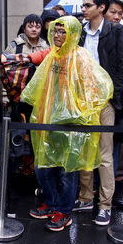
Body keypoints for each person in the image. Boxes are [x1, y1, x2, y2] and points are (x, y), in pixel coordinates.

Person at [22, 16, 113, 232]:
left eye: (63, 32)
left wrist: (79, 112)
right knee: (44, 167)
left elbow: (97, 87)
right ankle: (52, 205)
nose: (58, 36)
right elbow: (39, 85)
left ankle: (64, 211)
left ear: (72, 34)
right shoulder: (53, 56)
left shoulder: (80, 56)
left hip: (71, 122)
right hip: (48, 119)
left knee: (67, 170)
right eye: (55, 31)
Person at [73, 0, 123, 226]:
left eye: (88, 5)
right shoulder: (79, 32)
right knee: (84, 151)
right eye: (83, 5)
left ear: (101, 8)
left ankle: (105, 205)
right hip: (83, 100)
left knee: (105, 155)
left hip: (105, 100)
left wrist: (109, 96)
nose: (83, 9)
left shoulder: (115, 31)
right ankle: (86, 197)